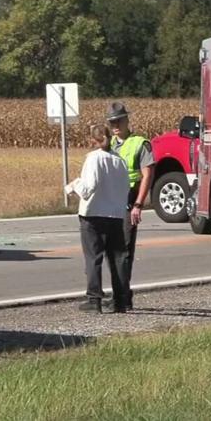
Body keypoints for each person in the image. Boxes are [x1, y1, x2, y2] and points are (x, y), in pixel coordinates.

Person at [65, 124, 131, 314]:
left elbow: (88, 189)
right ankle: (120, 300)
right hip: (116, 215)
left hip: (94, 215)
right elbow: (126, 188)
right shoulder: (120, 161)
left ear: (93, 141)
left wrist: (73, 185)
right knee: (117, 258)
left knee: (94, 258)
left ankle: (94, 299)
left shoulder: (93, 158)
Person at [105, 101, 155, 311]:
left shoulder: (140, 143)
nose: (116, 125)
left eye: (119, 120)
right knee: (111, 250)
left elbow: (147, 175)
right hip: (110, 202)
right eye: (112, 122)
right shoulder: (108, 144)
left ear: (127, 120)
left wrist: (138, 205)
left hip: (129, 199)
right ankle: (122, 294)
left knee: (123, 251)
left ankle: (121, 298)